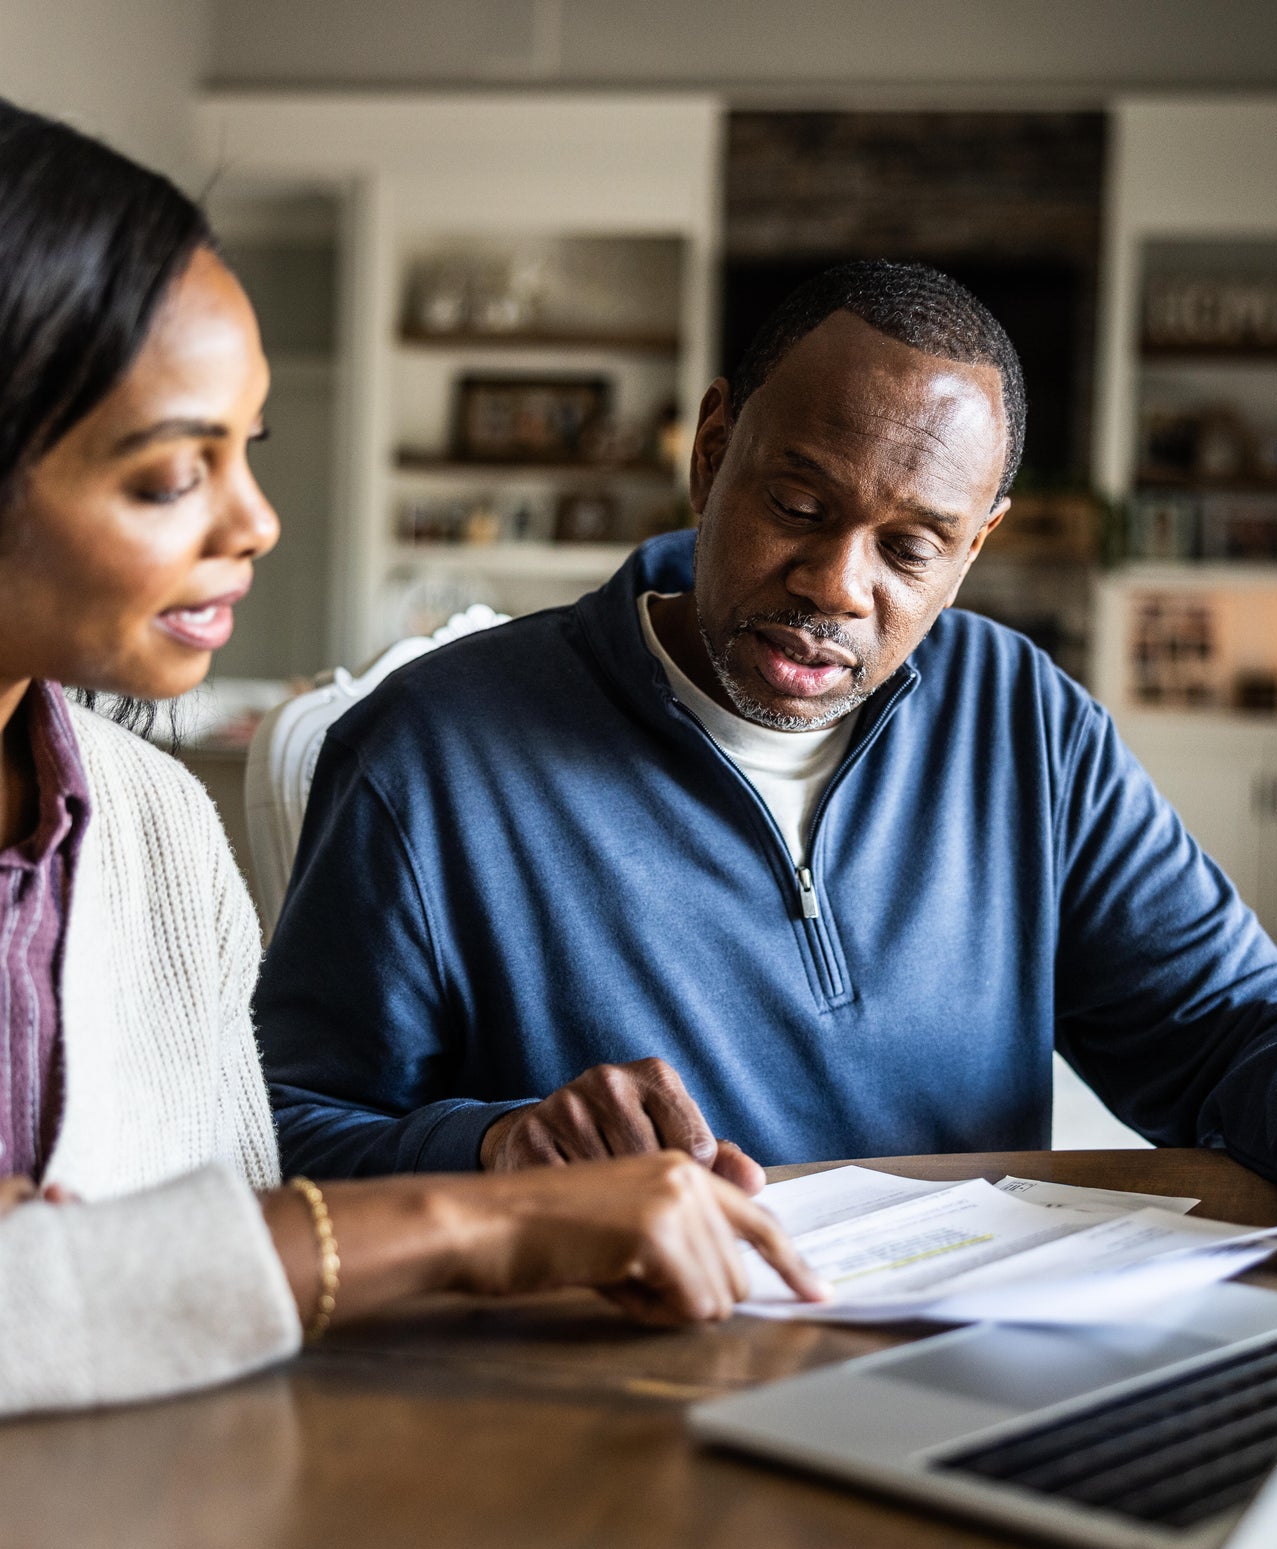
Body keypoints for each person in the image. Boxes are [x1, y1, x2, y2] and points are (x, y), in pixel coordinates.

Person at [258, 261, 1277, 1282]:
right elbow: (284, 1131)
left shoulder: (1022, 718)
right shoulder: (433, 750)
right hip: (623, 1379)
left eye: (912, 545)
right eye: (797, 502)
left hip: (964, 1360)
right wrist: (497, 1153)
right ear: (713, 448)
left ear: (976, 543)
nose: (840, 585)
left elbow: (1216, 1014)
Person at [0, 99, 822, 1419]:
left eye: (247, 452)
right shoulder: (433, 748)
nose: (257, 522)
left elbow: (237, 1238)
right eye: (169, 476)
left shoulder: (150, 820)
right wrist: (487, 1219)